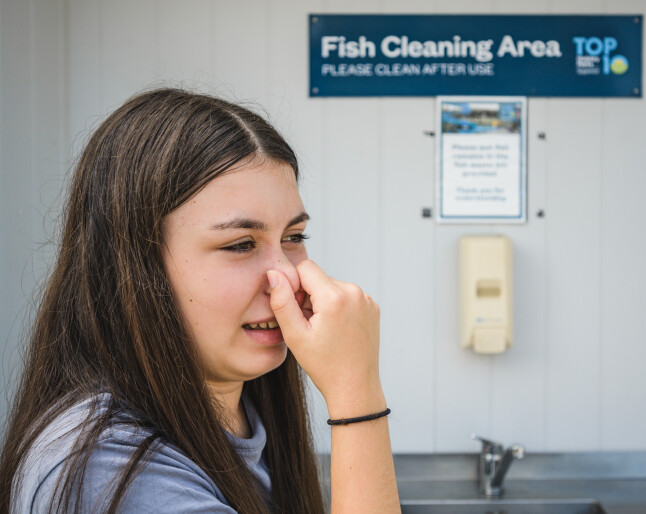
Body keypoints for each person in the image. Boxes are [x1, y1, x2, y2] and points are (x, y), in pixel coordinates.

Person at [0, 88, 401, 513]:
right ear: (136, 267)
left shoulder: (244, 414)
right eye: (241, 244)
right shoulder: (113, 471)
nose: (285, 274)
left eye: (294, 237)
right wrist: (357, 395)